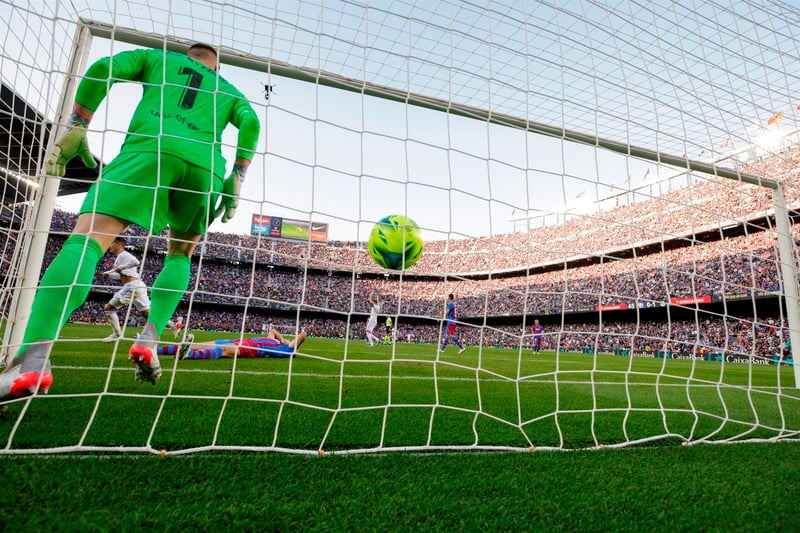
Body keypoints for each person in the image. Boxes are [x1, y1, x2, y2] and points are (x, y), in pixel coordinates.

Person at [0, 43, 260, 401]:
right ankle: (150, 339)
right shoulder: (229, 90)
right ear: (216, 67)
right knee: (181, 255)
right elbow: (251, 121)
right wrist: (238, 176)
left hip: (148, 150)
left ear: (188, 55)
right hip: (205, 168)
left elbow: (104, 67)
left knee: (87, 240)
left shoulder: (158, 58)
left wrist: (78, 125)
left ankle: (33, 359)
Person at [100, 237, 181, 342]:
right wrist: (110, 275)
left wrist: (120, 268)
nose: (109, 246)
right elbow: (124, 274)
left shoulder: (124, 255)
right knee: (147, 314)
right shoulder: (120, 259)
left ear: (118, 244)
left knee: (109, 309)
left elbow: (135, 262)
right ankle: (173, 325)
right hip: (137, 285)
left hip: (132, 286)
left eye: (111, 243)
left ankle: (117, 334)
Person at [157, 329, 306, 360]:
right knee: (199, 343)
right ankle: (155, 350)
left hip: (253, 349)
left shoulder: (287, 351)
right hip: (244, 340)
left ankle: (189, 354)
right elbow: (273, 331)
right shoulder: (275, 340)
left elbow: (303, 335)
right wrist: (282, 339)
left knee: (224, 350)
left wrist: (288, 343)